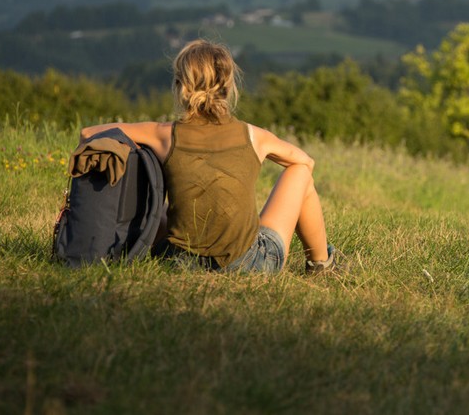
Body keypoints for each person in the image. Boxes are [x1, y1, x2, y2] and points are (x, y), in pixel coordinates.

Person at [77, 39, 337, 275]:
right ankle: (321, 264)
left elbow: (89, 133)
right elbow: (305, 162)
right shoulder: (255, 136)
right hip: (250, 265)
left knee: (164, 209)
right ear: (229, 85)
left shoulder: (164, 135)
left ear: (180, 86)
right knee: (301, 172)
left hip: (178, 262)